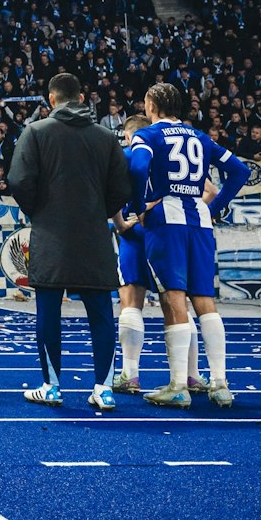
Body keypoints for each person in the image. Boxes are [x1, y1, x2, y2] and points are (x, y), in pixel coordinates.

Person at [7, 73, 133, 411]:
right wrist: (98, 211)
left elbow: (18, 180)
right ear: (81, 98)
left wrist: (40, 211)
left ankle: (51, 386)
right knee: (101, 314)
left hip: (51, 233)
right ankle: (103, 389)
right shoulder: (106, 137)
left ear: (51, 99)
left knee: (48, 311)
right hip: (93, 233)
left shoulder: (35, 132)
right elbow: (122, 187)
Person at [126, 82, 251, 409]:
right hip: (199, 220)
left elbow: (138, 167)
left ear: (151, 105)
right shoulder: (200, 137)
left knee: (175, 299)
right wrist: (215, 207)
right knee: (206, 301)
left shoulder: (148, 135)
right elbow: (240, 171)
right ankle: (220, 383)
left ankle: (179, 385)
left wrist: (139, 206)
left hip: (166, 221)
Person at [111, 115, 153, 394]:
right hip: (169, 231)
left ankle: (130, 373)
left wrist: (122, 222)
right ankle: (191, 376)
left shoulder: (127, 156)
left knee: (130, 299)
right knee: (178, 302)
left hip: (135, 231)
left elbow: (111, 193)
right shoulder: (168, 153)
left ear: (128, 136)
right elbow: (209, 191)